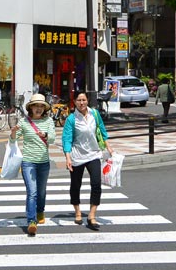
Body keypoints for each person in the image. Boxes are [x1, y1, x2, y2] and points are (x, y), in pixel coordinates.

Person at [62, 91, 114, 231]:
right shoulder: (72, 119)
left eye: (84, 100)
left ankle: (92, 215)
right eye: (79, 100)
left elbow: (102, 130)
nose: (82, 103)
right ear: (74, 102)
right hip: (77, 156)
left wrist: (108, 147)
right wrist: (67, 157)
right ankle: (77, 211)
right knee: (75, 185)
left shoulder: (94, 114)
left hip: (94, 154)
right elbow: (67, 139)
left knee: (96, 184)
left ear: (87, 101)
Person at [9, 93, 56, 237]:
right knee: (32, 192)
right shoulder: (24, 122)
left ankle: (40, 211)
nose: (39, 108)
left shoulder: (48, 121)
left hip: (44, 162)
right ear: (31, 107)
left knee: (41, 191)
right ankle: (31, 221)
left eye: (42, 106)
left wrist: (46, 135)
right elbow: (13, 141)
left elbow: (53, 139)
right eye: (36, 106)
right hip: (28, 162)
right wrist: (13, 133)